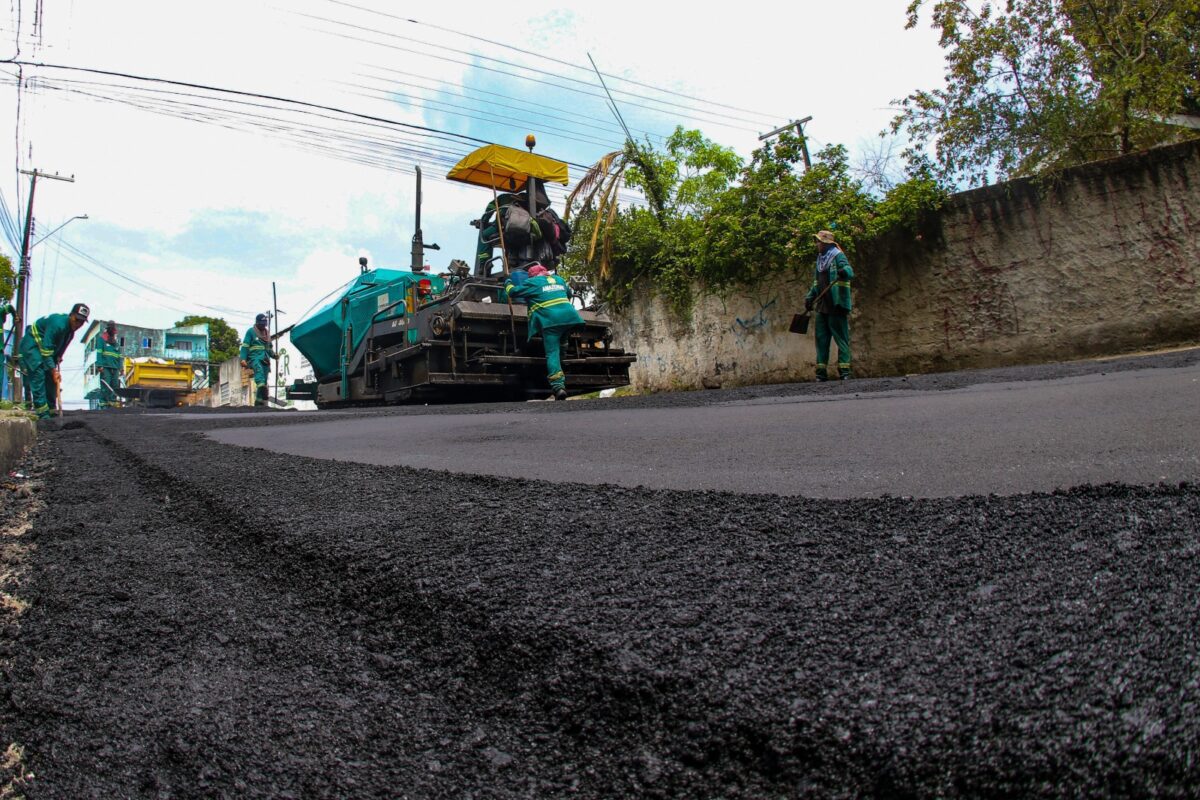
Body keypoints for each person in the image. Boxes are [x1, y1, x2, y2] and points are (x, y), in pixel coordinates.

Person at [504, 264, 583, 401]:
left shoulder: (532, 282)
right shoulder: (559, 279)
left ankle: (558, 387)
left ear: (533, 275)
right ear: (546, 272)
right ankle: (562, 369)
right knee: (562, 347)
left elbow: (513, 292)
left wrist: (508, 282)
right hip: (570, 318)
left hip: (551, 321)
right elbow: (569, 294)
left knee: (552, 353)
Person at [17, 302, 89, 419]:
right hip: (33, 346)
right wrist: (53, 369)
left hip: (46, 350)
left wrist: (58, 359)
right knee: (39, 374)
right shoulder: (58, 324)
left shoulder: (70, 333)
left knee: (51, 379)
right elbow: (46, 349)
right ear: (71, 315)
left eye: (82, 322)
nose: (78, 324)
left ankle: (51, 409)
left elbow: (61, 349)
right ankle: (42, 414)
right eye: (77, 320)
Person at [804, 230, 854, 380]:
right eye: (816, 241)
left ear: (826, 243)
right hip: (822, 306)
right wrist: (809, 298)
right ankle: (821, 373)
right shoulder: (820, 260)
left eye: (819, 241)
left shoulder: (838, 255)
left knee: (841, 339)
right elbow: (816, 283)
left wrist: (843, 271)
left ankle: (845, 371)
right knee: (821, 340)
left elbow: (849, 271)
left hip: (836, 305)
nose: (816, 244)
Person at [239, 313, 278, 407]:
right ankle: (262, 387)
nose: (263, 325)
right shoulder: (251, 332)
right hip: (255, 358)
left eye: (264, 324)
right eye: (261, 323)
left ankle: (259, 400)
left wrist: (274, 355)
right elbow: (245, 346)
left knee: (264, 380)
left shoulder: (267, 334)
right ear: (257, 323)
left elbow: (269, 348)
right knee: (259, 372)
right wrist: (243, 358)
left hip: (265, 359)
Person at [95, 321, 123, 409]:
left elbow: (119, 356)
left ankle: (113, 403)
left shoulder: (116, 343)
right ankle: (103, 403)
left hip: (115, 368)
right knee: (105, 385)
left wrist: (121, 368)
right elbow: (99, 353)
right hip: (105, 367)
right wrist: (99, 365)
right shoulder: (101, 339)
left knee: (115, 385)